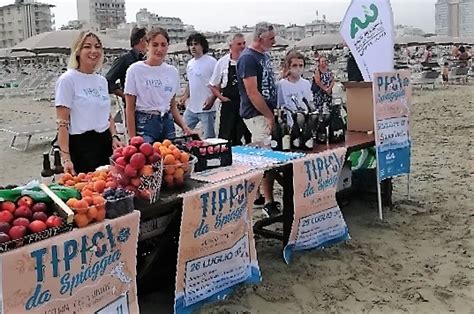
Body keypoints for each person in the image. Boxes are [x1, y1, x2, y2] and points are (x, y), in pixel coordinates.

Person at [55, 31, 122, 174]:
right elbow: (62, 123)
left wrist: (114, 136)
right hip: (81, 146)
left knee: (108, 186)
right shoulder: (67, 80)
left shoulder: (101, 81)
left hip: (105, 143)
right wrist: (66, 158)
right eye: (87, 47)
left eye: (97, 47)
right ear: (78, 51)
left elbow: (107, 115)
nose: (94, 51)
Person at [236, 22, 280, 216]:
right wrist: (269, 116)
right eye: (271, 38)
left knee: (270, 154)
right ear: (261, 37)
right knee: (266, 157)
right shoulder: (247, 58)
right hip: (256, 114)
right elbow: (252, 93)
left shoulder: (263, 55)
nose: (274, 41)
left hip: (267, 111)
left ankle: (261, 196)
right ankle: (267, 201)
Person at [124, 28, 193, 143]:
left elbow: (172, 106)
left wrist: (185, 127)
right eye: (155, 45)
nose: (159, 49)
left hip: (167, 122)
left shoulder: (172, 72)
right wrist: (132, 139)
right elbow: (130, 108)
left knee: (170, 158)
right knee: (147, 158)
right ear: (147, 45)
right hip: (145, 124)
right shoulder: (135, 70)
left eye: (163, 45)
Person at [209, 33, 251, 145]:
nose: (242, 46)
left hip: (246, 105)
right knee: (226, 139)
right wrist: (221, 98)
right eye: (239, 44)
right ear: (231, 46)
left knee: (249, 137)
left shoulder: (249, 61)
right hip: (229, 105)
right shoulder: (222, 62)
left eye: (244, 43)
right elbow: (213, 85)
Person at [178, 33, 217, 139]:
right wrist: (185, 96)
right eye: (191, 45)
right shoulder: (190, 63)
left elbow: (218, 83)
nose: (193, 47)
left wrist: (212, 98)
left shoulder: (211, 62)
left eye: (196, 44)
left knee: (209, 138)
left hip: (206, 108)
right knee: (183, 133)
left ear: (203, 46)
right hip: (192, 108)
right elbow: (190, 82)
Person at [106, 27, 147, 101]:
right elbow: (108, 81)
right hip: (131, 107)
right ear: (142, 40)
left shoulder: (144, 59)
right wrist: (125, 96)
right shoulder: (124, 59)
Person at [277, 51, 313, 116]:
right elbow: (279, 105)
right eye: (294, 65)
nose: (298, 69)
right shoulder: (281, 84)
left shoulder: (306, 83)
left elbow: (309, 101)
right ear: (289, 67)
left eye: (301, 66)